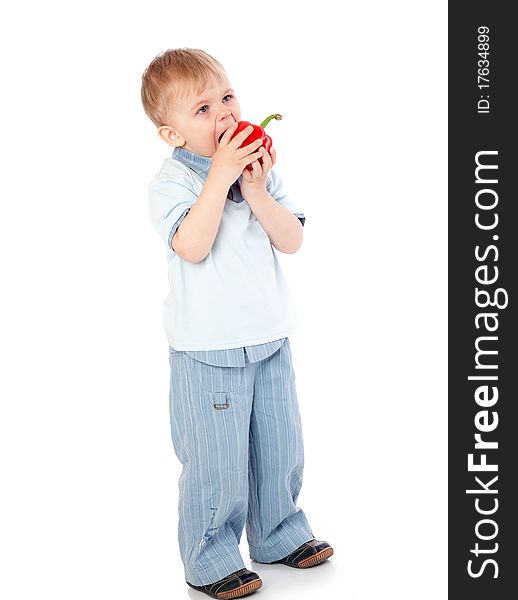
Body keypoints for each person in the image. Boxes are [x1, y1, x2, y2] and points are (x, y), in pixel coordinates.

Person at [141, 48, 333, 599]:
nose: (225, 114)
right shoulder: (171, 182)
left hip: (270, 337)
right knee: (216, 462)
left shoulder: (260, 171)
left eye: (227, 97)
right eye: (203, 109)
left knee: (280, 446)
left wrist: (252, 187)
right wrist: (218, 176)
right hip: (208, 350)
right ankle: (210, 556)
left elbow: (291, 240)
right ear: (171, 135)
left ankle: (278, 532)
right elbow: (193, 247)